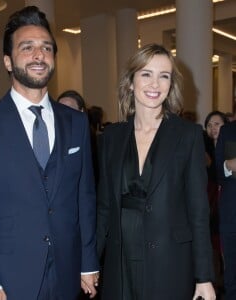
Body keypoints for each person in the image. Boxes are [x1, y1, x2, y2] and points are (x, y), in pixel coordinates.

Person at [0, 6, 98, 300]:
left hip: (66, 270)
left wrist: (88, 262)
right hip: (7, 277)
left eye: (46, 47)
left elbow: (84, 198)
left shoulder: (76, 122)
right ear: (8, 61)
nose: (39, 54)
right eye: (28, 47)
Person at [96, 43, 216, 300]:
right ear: (131, 81)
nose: (155, 84)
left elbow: (198, 211)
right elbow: (104, 208)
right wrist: (90, 262)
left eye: (164, 76)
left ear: (171, 84)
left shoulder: (188, 135)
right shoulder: (112, 137)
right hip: (120, 261)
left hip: (169, 261)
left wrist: (203, 277)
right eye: (146, 74)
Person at [204, 110, 228, 295]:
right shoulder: (203, 148)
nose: (213, 128)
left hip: (224, 201)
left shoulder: (229, 146)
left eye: (217, 124)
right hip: (208, 201)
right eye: (210, 125)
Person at [215, 119, 236, 300]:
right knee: (232, 275)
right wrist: (228, 166)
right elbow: (216, 172)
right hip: (232, 214)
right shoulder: (228, 131)